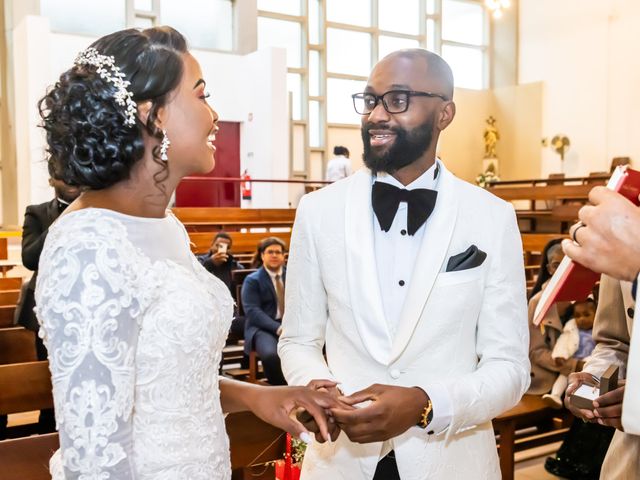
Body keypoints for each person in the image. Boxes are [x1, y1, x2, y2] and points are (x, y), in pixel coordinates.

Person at [35, 26, 341, 480]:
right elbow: (95, 460)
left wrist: (258, 396)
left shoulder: (164, 225)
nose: (214, 115)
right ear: (152, 115)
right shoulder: (89, 247)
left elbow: (162, 380)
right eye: (201, 96)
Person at [278, 49, 530, 480]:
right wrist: (325, 394)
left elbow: (509, 367)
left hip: (452, 462)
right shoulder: (317, 212)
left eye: (397, 100)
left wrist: (425, 403)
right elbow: (298, 340)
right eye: (370, 100)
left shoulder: (492, 216)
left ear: (444, 113)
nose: (377, 114)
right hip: (342, 460)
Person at [242, 237, 287, 385]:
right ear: (262, 255)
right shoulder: (252, 280)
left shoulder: (293, 277)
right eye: (270, 252)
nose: (274, 255)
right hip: (263, 328)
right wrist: (277, 328)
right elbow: (253, 311)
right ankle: (281, 390)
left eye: (278, 252)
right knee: (271, 355)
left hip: (291, 325)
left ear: (283, 256)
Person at [542, 298, 596, 408]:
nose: (581, 319)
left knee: (587, 381)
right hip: (573, 359)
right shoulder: (572, 327)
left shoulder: (598, 329)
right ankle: (555, 395)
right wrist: (559, 354)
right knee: (563, 376)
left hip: (590, 360)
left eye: (586, 315)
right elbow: (563, 341)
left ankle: (585, 399)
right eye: (577, 316)